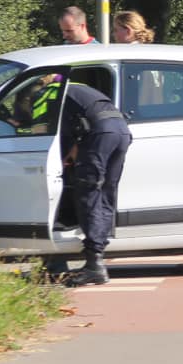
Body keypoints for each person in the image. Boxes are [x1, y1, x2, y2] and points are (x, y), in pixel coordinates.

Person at [57, 79, 131, 285]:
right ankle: (97, 257)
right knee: (107, 192)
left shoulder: (53, 92)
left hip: (101, 133)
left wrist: (66, 154)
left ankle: (94, 265)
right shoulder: (80, 88)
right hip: (122, 131)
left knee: (87, 190)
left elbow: (63, 131)